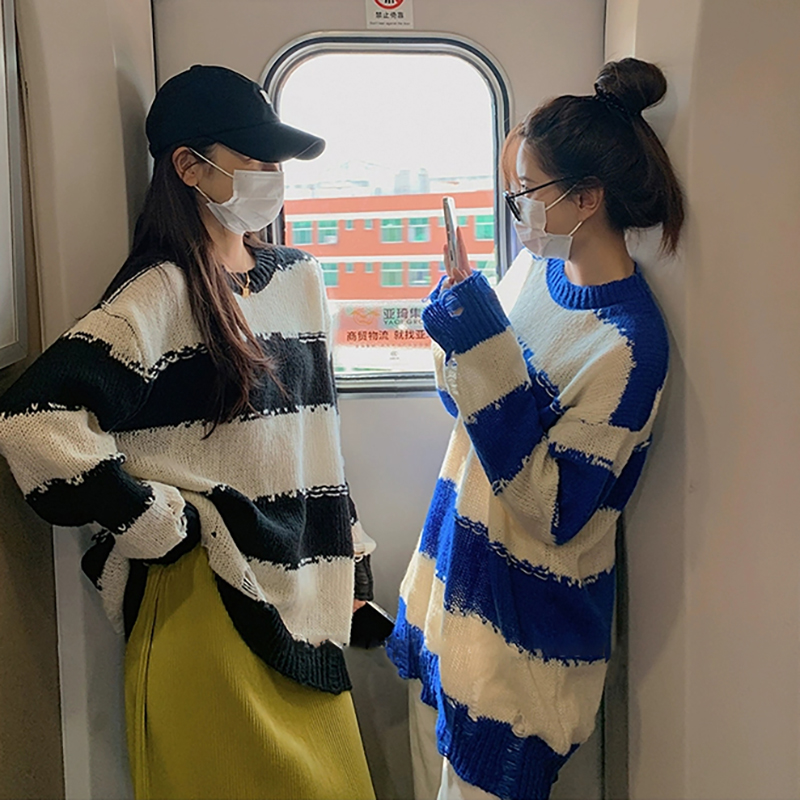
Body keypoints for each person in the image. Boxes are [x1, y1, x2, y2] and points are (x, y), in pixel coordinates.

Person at [0, 65, 375, 800]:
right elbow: (31, 420)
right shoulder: (162, 290)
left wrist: (350, 557)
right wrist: (158, 522)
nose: (273, 176)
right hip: (207, 595)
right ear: (188, 167)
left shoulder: (299, 278)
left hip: (306, 591)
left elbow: (317, 442)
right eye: (254, 158)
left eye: (277, 161)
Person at [386, 57, 684, 800]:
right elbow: (469, 408)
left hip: (521, 646)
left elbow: (550, 509)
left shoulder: (629, 347)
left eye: (526, 191)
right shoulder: (531, 272)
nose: (516, 208)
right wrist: (459, 321)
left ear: (586, 198)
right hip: (454, 588)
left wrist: (481, 342)